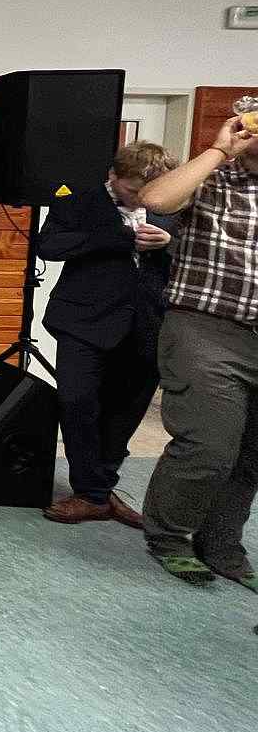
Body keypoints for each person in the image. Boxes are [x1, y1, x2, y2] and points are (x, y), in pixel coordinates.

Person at [138, 111, 258, 591]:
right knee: (209, 445)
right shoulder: (212, 176)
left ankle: (223, 542)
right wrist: (220, 149)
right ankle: (169, 536)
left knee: (251, 454)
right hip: (207, 329)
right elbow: (155, 199)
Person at [37, 141, 178, 527]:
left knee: (125, 412)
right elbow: (49, 245)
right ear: (113, 176)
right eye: (132, 190)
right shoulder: (79, 200)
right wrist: (118, 237)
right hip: (83, 322)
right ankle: (92, 492)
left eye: (147, 192)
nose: (141, 199)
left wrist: (170, 244)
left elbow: (202, 253)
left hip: (148, 323)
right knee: (77, 402)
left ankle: (97, 492)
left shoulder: (173, 202)